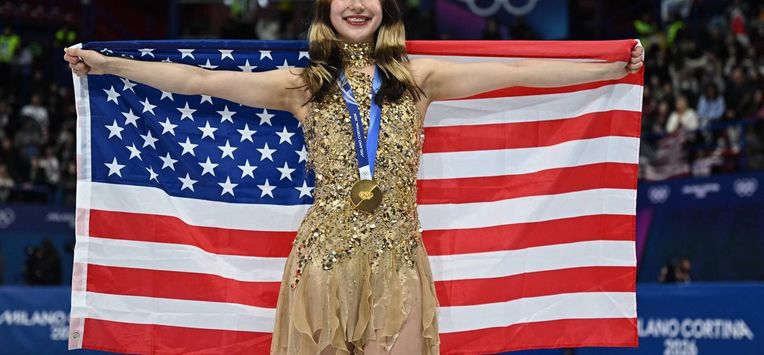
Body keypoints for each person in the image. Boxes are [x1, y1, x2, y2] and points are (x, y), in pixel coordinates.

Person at [64, 0, 644, 353]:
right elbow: (197, 81)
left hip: (397, 257)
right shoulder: (303, 85)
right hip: (324, 257)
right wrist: (109, 64)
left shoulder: (421, 77)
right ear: (326, 11)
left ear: (387, 10)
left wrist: (609, 65)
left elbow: (518, 73)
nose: (356, 7)